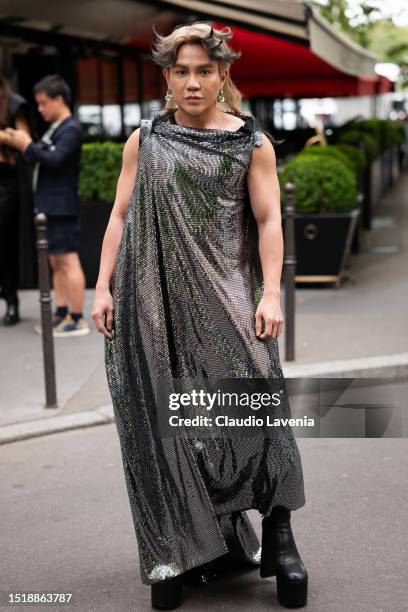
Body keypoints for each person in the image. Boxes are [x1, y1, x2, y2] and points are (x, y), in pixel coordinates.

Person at [92, 22, 308, 610]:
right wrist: (103, 286)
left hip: (233, 300)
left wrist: (269, 294)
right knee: (171, 424)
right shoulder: (146, 139)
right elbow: (118, 215)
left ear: (222, 76)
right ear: (167, 76)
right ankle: (177, 547)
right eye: (181, 71)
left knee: (259, 414)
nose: (192, 82)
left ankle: (280, 533)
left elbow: (268, 221)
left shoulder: (250, 142)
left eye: (204, 71)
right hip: (156, 304)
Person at [5, 74, 89, 337]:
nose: (40, 109)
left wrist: (25, 144)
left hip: (61, 206)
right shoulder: (58, 127)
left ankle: (76, 317)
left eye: (43, 103)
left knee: (67, 260)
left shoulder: (71, 128)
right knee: (56, 262)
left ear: (58, 99)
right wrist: (25, 145)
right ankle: (62, 312)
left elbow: (54, 159)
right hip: (50, 205)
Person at [0, 75, 31, 325]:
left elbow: (24, 140)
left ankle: (11, 299)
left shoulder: (13, 104)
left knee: (5, 242)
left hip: (6, 182)